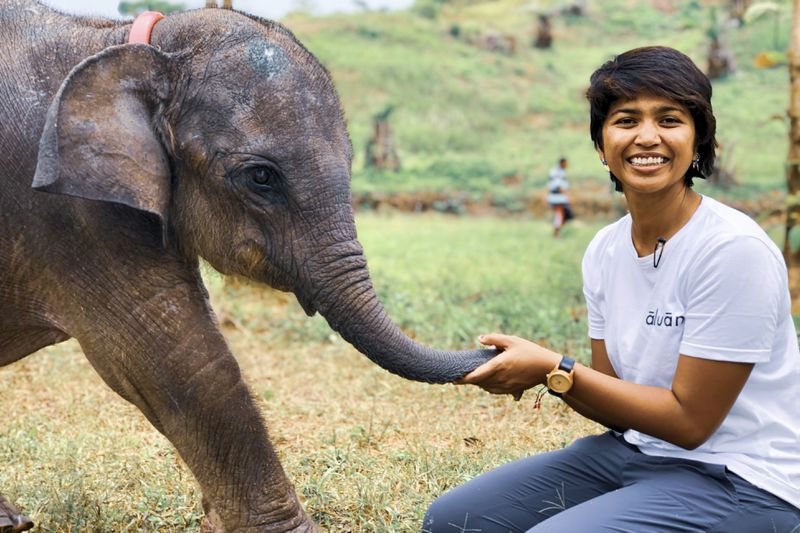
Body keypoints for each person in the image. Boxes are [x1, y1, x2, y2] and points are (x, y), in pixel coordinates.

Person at [422, 46, 800, 532]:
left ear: (699, 140)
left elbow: (690, 425)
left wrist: (551, 366)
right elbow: (618, 406)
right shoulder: (605, 250)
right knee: (455, 520)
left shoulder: (732, 249)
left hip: (744, 478)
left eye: (669, 119)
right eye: (626, 120)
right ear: (602, 145)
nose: (647, 137)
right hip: (636, 452)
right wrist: (545, 374)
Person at [546, 157, 573, 237]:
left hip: (558, 197)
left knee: (564, 216)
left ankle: (556, 231)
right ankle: (555, 232)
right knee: (560, 215)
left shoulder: (559, 171)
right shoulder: (557, 172)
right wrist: (566, 195)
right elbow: (558, 186)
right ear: (562, 163)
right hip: (558, 198)